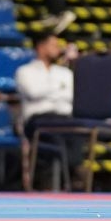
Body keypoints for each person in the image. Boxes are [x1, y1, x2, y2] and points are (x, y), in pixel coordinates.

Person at [16, 30, 78, 190]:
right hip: (37, 120)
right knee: (54, 137)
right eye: (53, 45)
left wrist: (48, 90)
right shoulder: (24, 71)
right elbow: (33, 92)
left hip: (63, 118)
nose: (58, 49)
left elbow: (70, 96)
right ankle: (54, 179)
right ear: (41, 47)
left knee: (77, 134)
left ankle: (69, 176)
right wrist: (58, 88)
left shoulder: (65, 73)